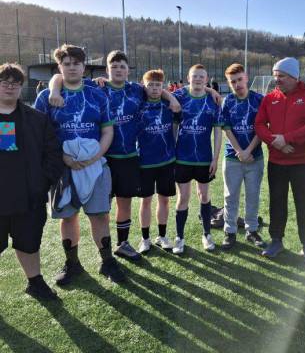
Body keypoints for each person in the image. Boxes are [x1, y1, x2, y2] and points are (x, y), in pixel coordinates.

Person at [46, 50, 180, 262]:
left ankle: (122, 243)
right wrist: (54, 88)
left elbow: (157, 89)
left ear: (128, 70)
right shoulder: (96, 86)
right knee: (101, 208)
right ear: (107, 70)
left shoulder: (136, 90)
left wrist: (171, 97)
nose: (118, 70)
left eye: (122, 66)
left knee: (124, 203)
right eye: (114, 66)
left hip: (127, 156)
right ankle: (96, 252)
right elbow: (61, 76)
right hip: (103, 157)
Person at [35, 44, 125, 285]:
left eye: (76, 63)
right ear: (60, 67)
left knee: (100, 216)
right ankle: (73, 264)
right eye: (67, 63)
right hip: (63, 168)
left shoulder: (98, 94)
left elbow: (107, 130)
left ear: (84, 66)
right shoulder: (46, 97)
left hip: (95, 165)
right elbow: (41, 135)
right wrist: (64, 159)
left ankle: (107, 262)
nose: (72, 67)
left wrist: (96, 156)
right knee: (69, 217)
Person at [0, 63, 63, 300]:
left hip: (28, 197)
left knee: (29, 243)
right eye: (4, 82)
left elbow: (53, 154)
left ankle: (35, 282)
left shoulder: (36, 119)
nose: (10, 86)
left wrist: (41, 184)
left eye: (15, 83)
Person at [255, 57, 305, 264]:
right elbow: (259, 125)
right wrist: (277, 143)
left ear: (294, 76)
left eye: (281, 76)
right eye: (275, 76)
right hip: (277, 163)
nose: (277, 80)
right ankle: (276, 241)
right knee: (277, 203)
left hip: (303, 164)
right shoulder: (269, 98)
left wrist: (288, 138)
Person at [172, 64, 223, 254]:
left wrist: (215, 159)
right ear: (188, 78)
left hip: (203, 159)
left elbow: (218, 132)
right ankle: (179, 237)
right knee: (183, 197)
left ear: (207, 78)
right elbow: (162, 96)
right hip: (182, 158)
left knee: (204, 195)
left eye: (202, 76)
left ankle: (206, 234)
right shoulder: (180, 96)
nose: (198, 79)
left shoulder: (213, 101)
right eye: (195, 76)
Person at [220, 63, 265, 250]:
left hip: (255, 158)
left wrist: (249, 150)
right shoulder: (228, 101)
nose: (237, 84)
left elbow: (262, 128)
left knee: (253, 195)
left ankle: (251, 230)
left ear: (246, 78)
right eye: (233, 82)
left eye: (239, 80)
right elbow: (227, 128)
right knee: (230, 196)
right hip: (233, 158)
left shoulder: (259, 99)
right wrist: (239, 150)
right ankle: (229, 232)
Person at [136, 69, 180, 253]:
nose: (154, 89)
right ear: (144, 86)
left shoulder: (169, 105)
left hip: (166, 161)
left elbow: (178, 120)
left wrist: (169, 96)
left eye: (158, 85)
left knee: (164, 200)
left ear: (163, 87)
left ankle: (162, 236)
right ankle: (144, 239)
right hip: (145, 162)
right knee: (145, 201)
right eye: (150, 85)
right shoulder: (138, 105)